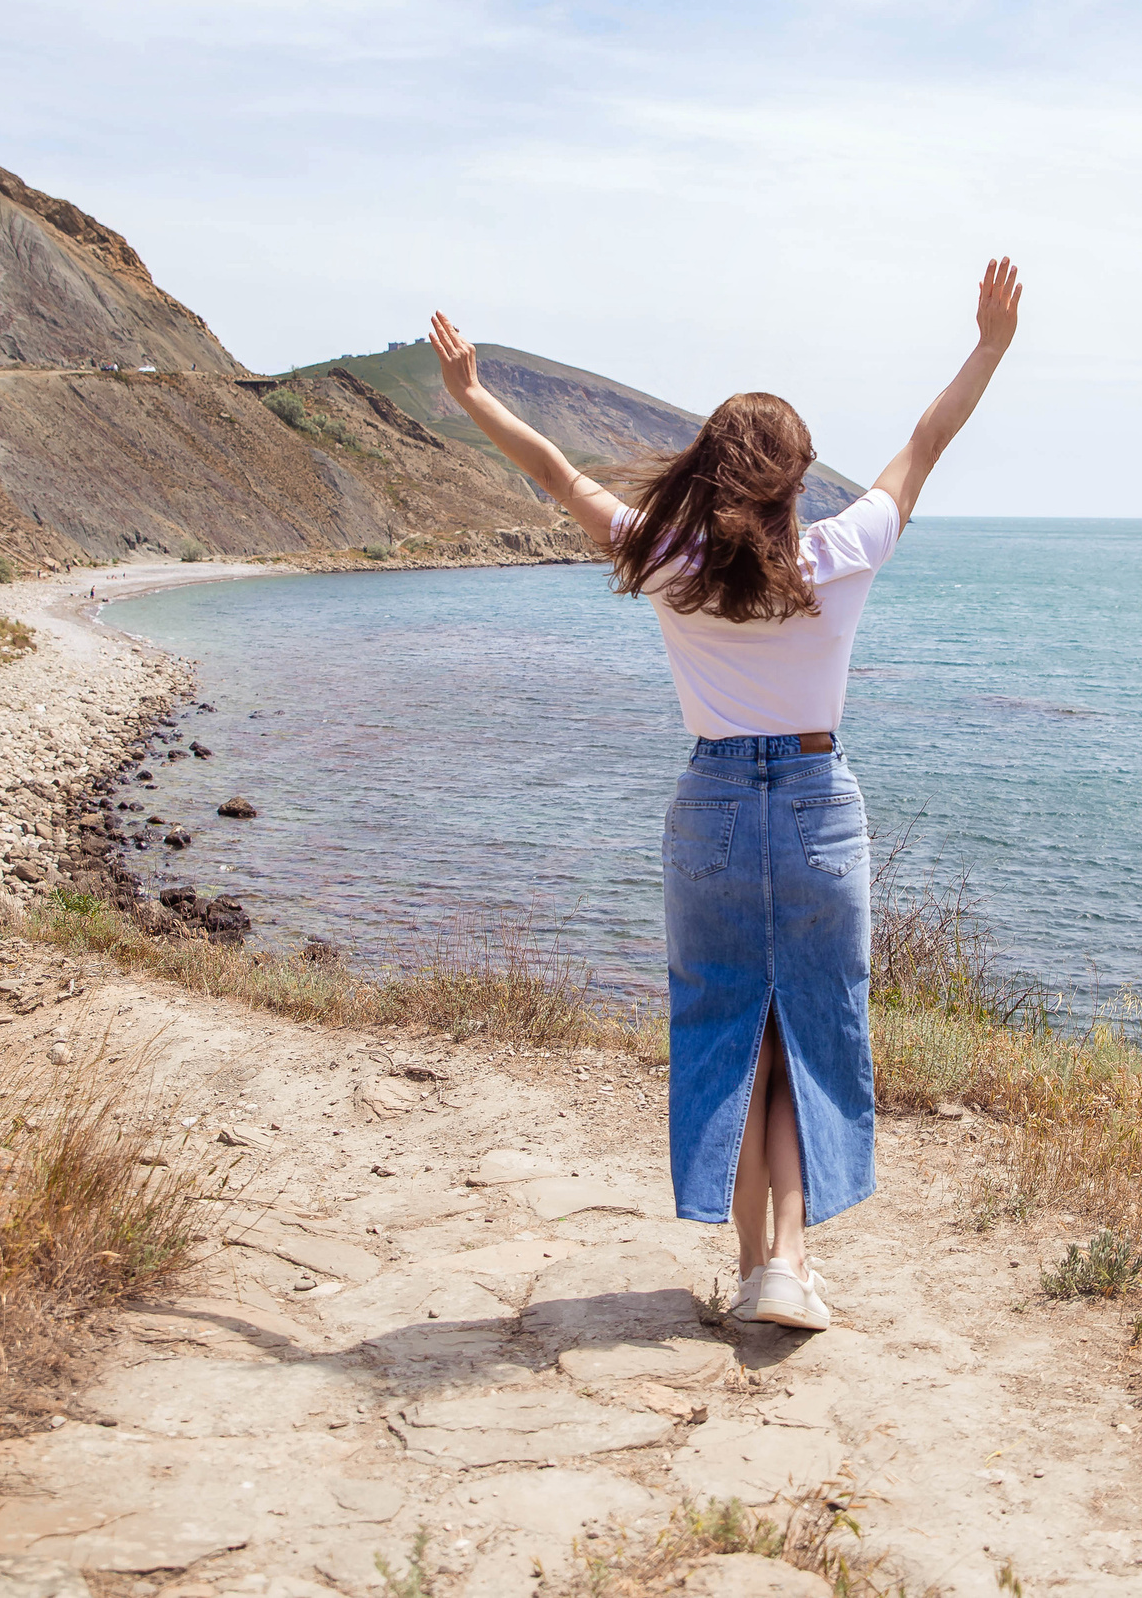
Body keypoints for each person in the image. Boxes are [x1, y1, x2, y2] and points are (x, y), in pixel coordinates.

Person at [428, 259, 1021, 1331]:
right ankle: (789, 1264)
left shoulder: (666, 559)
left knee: (726, 1026)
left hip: (708, 805)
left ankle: (755, 1267)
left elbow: (558, 476)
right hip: (813, 800)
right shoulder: (839, 554)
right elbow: (924, 445)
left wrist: (473, 395)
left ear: (707, 469)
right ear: (796, 478)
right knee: (811, 1026)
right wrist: (987, 345)